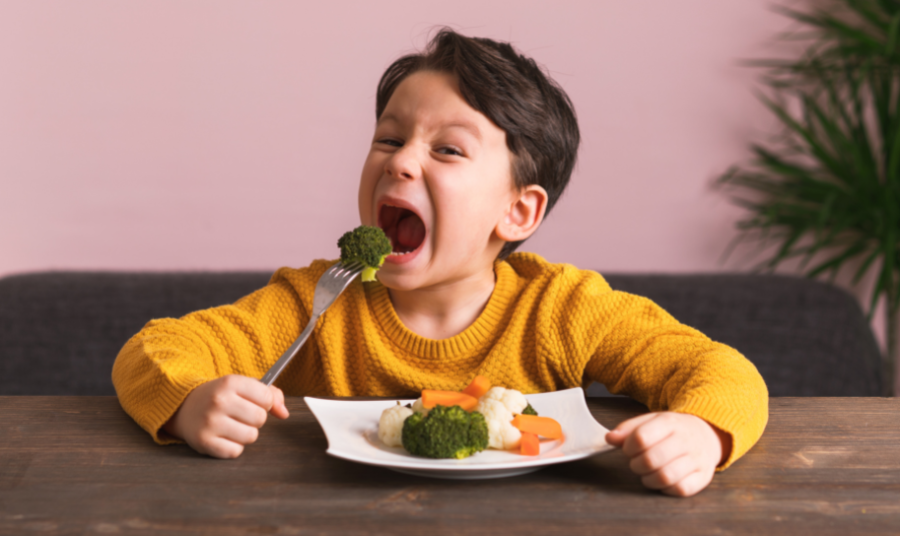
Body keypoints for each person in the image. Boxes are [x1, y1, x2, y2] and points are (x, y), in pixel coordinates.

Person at [112, 28, 768, 497]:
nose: (399, 161)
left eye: (447, 151)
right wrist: (190, 402)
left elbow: (719, 370)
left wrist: (702, 432)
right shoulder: (319, 302)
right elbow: (157, 348)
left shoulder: (564, 311)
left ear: (518, 213)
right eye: (389, 139)